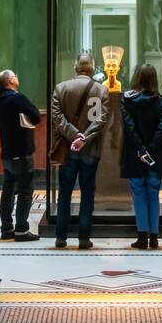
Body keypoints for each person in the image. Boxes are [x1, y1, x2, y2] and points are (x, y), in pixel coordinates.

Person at [51, 52, 109, 250]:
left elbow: (57, 119)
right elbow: (101, 120)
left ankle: (60, 237)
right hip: (90, 150)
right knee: (87, 193)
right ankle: (84, 238)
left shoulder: (61, 88)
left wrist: (74, 136)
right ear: (93, 68)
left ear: (76, 67)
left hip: (68, 149)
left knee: (65, 193)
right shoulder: (101, 90)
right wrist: (84, 137)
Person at [120, 64, 162, 250]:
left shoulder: (126, 99)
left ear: (136, 77)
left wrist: (140, 148)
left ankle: (142, 236)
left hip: (134, 154)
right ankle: (154, 237)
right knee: (153, 195)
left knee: (138, 195)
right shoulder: (161, 101)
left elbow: (129, 126)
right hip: (154, 155)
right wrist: (150, 148)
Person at [0, 69, 41, 242]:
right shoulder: (16, 98)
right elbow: (36, 116)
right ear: (10, 81)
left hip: (7, 153)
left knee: (8, 190)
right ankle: (22, 229)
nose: (17, 77)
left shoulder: (0, 100)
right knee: (25, 191)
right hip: (21, 153)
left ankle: (6, 228)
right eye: (15, 75)